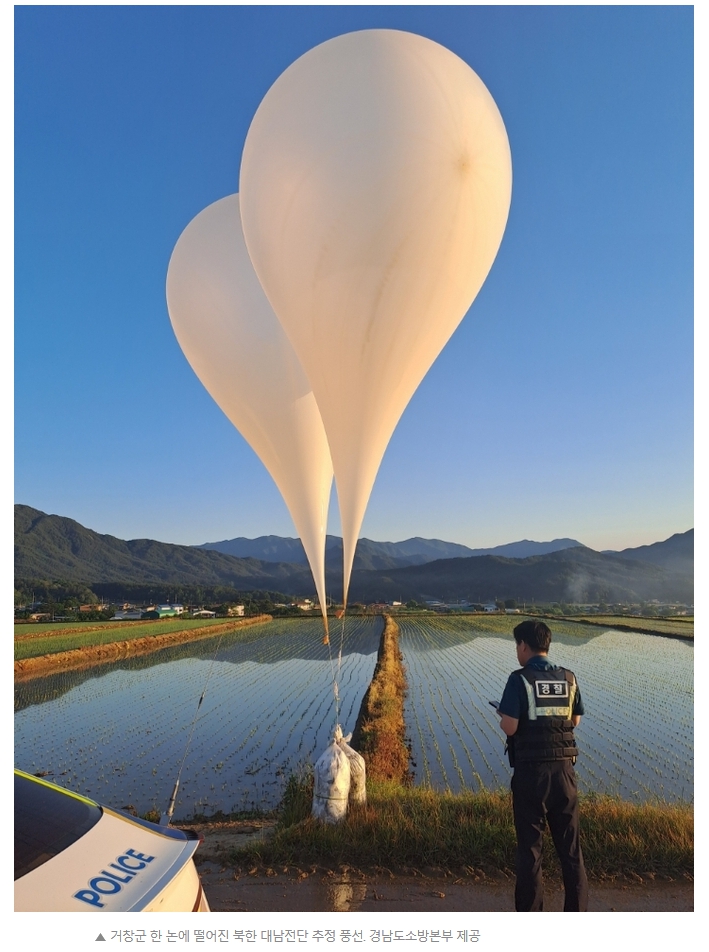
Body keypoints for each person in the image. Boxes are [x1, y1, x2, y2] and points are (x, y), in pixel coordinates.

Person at [497, 619, 588, 912]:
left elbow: (510, 727)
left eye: (516, 646)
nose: (517, 652)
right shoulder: (569, 678)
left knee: (531, 851)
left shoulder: (519, 679)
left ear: (524, 646)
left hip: (531, 775)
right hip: (564, 774)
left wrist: (503, 717)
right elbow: (575, 720)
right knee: (571, 852)